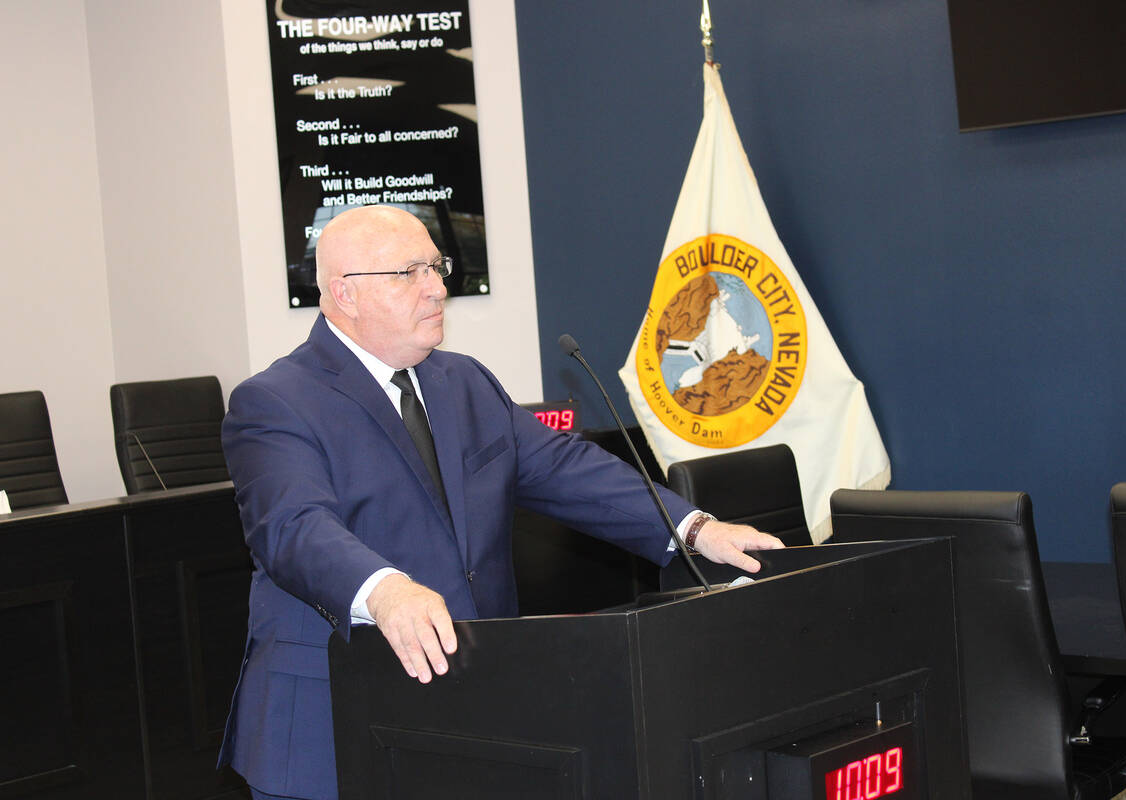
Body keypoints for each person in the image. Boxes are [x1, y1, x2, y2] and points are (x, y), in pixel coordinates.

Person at [217, 204, 784, 800]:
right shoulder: (275, 402)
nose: (438, 289)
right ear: (345, 293)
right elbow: (292, 527)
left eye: (437, 268)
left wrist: (693, 528)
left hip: (473, 706)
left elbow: (566, 469)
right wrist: (384, 589)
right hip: (332, 720)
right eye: (410, 273)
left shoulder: (463, 381)